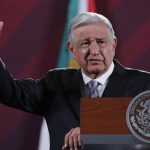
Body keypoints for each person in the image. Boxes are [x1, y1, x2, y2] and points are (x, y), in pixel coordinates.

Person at [0, 12, 150, 150]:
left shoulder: (143, 83)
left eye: (101, 42)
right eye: (85, 43)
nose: (94, 50)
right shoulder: (56, 83)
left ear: (114, 44)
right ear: (71, 49)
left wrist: (93, 128)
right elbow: (9, 92)